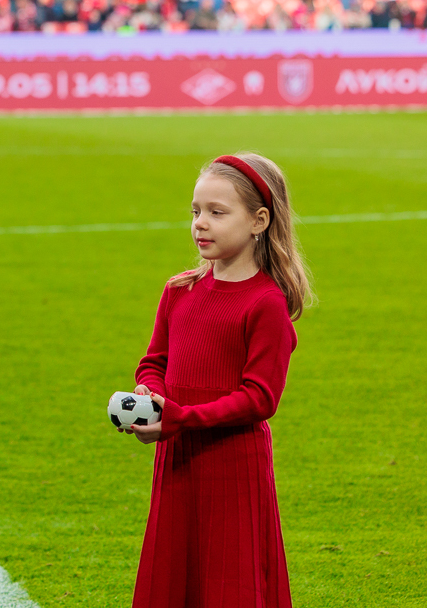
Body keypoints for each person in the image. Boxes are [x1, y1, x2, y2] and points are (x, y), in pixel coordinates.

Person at [123, 153, 314, 608]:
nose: (200, 224)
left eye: (217, 212)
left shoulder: (265, 303)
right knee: (175, 579)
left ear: (259, 221)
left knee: (230, 584)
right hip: (178, 458)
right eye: (195, 211)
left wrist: (180, 417)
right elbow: (154, 361)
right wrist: (150, 396)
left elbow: (259, 398)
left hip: (233, 467)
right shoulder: (179, 290)